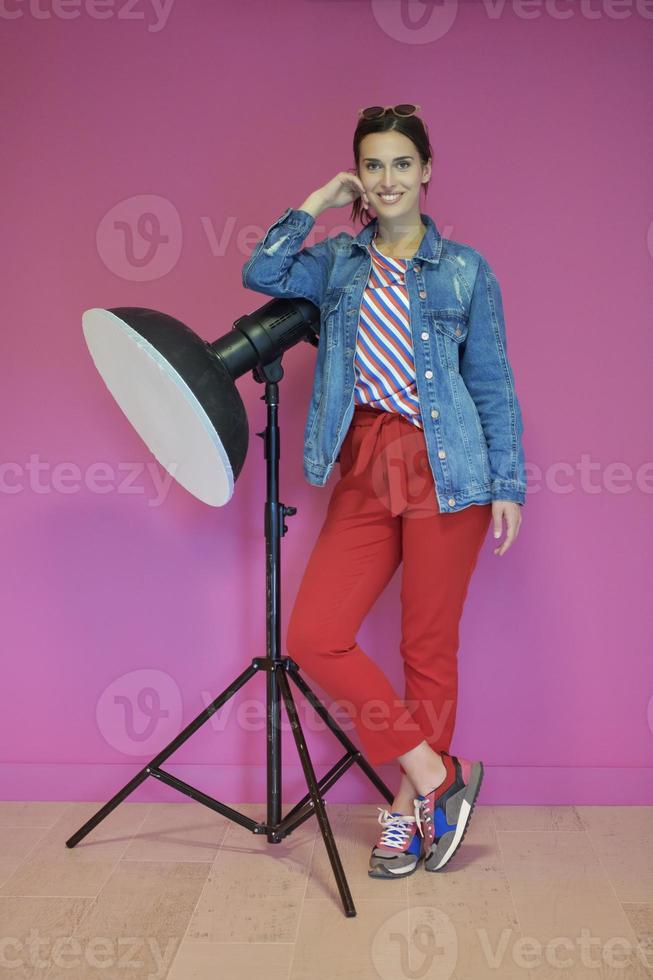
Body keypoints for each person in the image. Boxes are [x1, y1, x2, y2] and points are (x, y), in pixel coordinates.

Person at [241, 104, 527, 879]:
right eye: (372, 165)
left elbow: (491, 383)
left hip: (449, 464)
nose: (387, 178)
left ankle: (405, 813)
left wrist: (507, 483)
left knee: (425, 645)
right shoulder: (337, 261)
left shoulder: (466, 270)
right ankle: (440, 776)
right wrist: (317, 199)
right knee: (315, 634)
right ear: (358, 174)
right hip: (365, 458)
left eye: (402, 163)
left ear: (426, 171)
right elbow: (262, 273)